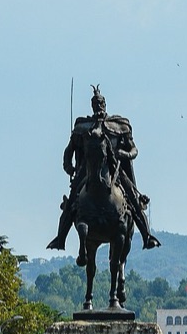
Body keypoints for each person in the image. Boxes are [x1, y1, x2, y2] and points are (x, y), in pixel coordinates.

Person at [47, 86, 162, 255]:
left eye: (100, 103)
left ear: (105, 104)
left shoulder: (120, 125)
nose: (98, 106)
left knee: (133, 199)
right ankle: (60, 237)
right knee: (72, 201)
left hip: (114, 169)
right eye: (95, 103)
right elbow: (69, 151)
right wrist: (69, 167)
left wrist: (122, 153)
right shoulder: (82, 126)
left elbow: (134, 150)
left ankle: (147, 236)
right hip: (87, 170)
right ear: (92, 106)